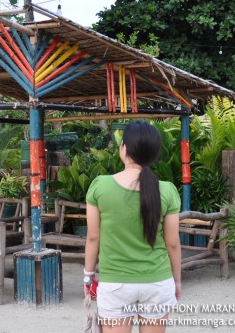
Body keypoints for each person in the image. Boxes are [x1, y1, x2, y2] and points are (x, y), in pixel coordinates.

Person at [84, 120, 181, 333]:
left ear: (124, 148)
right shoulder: (167, 190)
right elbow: (173, 243)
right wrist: (177, 281)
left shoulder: (100, 186)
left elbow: (93, 237)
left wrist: (88, 274)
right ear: (155, 154)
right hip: (157, 282)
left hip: (115, 284)